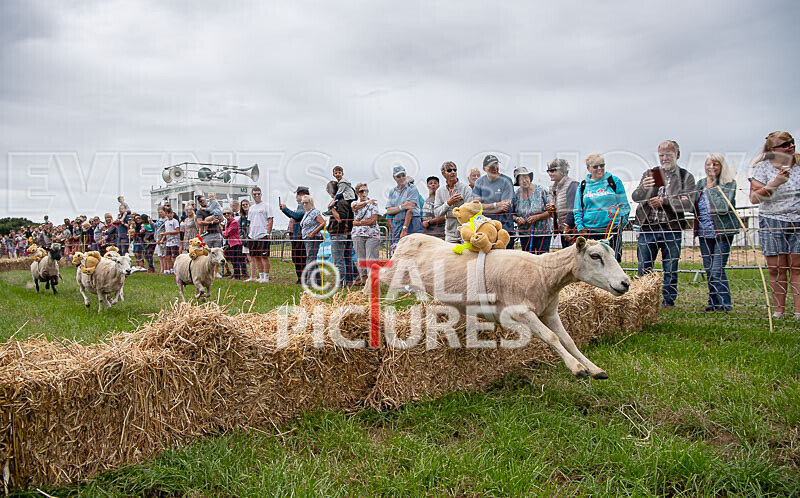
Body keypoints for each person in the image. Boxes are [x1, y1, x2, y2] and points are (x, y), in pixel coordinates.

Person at [631, 140, 696, 307]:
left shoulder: (685, 176)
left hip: (671, 228)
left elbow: (689, 203)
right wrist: (644, 188)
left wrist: (665, 201)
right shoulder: (650, 173)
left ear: (678, 155)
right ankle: (643, 300)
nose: (664, 158)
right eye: (661, 155)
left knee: (670, 267)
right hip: (648, 227)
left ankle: (668, 301)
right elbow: (636, 197)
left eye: (668, 154)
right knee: (644, 267)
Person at [750, 131, 800, 320]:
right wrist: (776, 183)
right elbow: (754, 198)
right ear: (773, 150)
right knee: (776, 268)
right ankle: (779, 311)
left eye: (792, 142)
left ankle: (798, 312)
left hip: (797, 220)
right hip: (772, 220)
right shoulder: (762, 168)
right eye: (785, 144)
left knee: (797, 267)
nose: (791, 146)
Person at [694, 154, 738, 312]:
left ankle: (725, 303)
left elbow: (723, 206)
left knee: (717, 270)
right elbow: (692, 204)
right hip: (704, 233)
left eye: (715, 164)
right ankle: (713, 303)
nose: (711, 167)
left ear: (722, 167)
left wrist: (712, 187)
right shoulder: (700, 184)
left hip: (722, 232)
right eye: (708, 164)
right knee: (709, 269)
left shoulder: (729, 183)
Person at [573, 153, 630, 261]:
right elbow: (577, 209)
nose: (599, 169)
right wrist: (580, 228)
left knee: (612, 261)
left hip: (611, 231)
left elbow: (625, 206)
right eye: (595, 167)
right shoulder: (583, 185)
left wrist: (620, 226)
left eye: (602, 165)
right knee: (592, 263)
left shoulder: (614, 181)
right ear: (588, 168)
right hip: (590, 231)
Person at [512, 166, 553, 254]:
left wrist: (537, 217)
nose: (524, 180)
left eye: (526, 177)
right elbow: (511, 214)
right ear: (517, 181)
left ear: (529, 178)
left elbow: (551, 211)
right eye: (521, 179)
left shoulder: (542, 191)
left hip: (543, 232)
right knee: (527, 259)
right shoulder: (515, 195)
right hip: (525, 233)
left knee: (543, 258)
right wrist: (517, 219)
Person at [472, 155, 515, 234]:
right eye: (492, 166)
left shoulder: (507, 181)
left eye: (496, 165)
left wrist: (485, 209)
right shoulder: (479, 182)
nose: (495, 169)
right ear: (484, 169)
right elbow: (476, 206)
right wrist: (496, 205)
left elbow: (504, 207)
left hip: (504, 228)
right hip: (485, 228)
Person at [433, 161, 474, 243]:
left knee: (467, 255)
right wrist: (448, 203)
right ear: (443, 174)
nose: (453, 172)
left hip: (466, 232)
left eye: (455, 170)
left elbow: (471, 211)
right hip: (450, 234)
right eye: (449, 170)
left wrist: (460, 209)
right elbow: (437, 213)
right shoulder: (439, 191)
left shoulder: (466, 188)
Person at [327, 180, 357, 286]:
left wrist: (331, 208)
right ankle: (352, 278)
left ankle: (341, 283)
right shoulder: (343, 201)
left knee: (339, 261)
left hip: (339, 233)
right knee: (346, 258)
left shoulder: (341, 202)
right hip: (343, 233)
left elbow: (340, 218)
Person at [386, 165, 422, 251]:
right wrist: (402, 206)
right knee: (397, 251)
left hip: (412, 222)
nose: (401, 178)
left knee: (414, 251)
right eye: (398, 176)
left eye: (403, 175)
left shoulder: (412, 188)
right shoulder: (392, 191)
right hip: (398, 223)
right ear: (394, 177)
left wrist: (404, 229)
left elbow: (410, 209)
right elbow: (389, 211)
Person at [351, 182, 380, 285]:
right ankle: (364, 281)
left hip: (372, 234)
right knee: (361, 259)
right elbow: (355, 207)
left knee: (371, 259)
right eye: (361, 191)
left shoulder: (374, 203)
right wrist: (367, 202)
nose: (364, 193)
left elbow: (373, 220)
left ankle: (372, 282)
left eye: (366, 190)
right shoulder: (354, 203)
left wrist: (358, 223)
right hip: (357, 234)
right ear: (357, 193)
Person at [280, 186, 310, 285]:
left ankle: (302, 278)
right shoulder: (303, 206)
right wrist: (285, 211)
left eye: (297, 195)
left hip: (299, 237)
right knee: (298, 258)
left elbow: (297, 216)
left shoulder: (303, 205)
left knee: (299, 258)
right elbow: (296, 217)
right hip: (298, 236)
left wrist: (285, 209)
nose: (296, 197)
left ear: (301, 195)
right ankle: (301, 278)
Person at [546, 158, 579, 248]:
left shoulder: (572, 184)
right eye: (548, 171)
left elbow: (572, 208)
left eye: (552, 170)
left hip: (572, 229)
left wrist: (567, 228)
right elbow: (557, 208)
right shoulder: (553, 187)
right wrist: (551, 209)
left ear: (562, 171)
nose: (550, 173)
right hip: (562, 229)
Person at [247, 186, 273, 283]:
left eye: (258, 194)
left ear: (261, 194)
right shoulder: (251, 208)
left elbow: (270, 220)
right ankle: (261, 276)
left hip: (263, 235)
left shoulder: (266, 206)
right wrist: (250, 233)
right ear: (252, 195)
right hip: (253, 236)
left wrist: (268, 233)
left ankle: (266, 277)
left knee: (264, 257)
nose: (256, 195)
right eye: (254, 194)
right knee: (256, 256)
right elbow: (250, 222)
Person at [299, 195, 326, 286]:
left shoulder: (314, 212)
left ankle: (310, 281)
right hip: (307, 238)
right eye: (303, 203)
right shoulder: (307, 213)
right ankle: (318, 280)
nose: (304, 205)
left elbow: (323, 223)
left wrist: (313, 233)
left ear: (311, 203)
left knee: (310, 259)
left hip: (313, 238)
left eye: (306, 203)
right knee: (311, 258)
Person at [222, 207, 245, 279]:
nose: (226, 214)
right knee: (232, 260)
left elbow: (227, 234)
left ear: (231, 214)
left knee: (235, 260)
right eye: (224, 213)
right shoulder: (227, 223)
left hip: (236, 243)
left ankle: (237, 276)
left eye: (228, 213)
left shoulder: (234, 222)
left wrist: (221, 231)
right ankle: (236, 274)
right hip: (231, 244)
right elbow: (226, 235)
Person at [159, 207, 180, 274]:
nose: (170, 215)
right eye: (168, 213)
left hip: (174, 241)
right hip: (168, 241)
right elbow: (166, 231)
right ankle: (170, 269)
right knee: (168, 256)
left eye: (171, 213)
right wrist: (162, 239)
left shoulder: (175, 221)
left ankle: (175, 269)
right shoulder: (166, 222)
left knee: (174, 256)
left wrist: (168, 233)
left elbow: (177, 231)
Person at [239, 199, 252, 280]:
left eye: (246, 204)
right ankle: (250, 275)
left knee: (256, 258)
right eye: (243, 205)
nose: (245, 206)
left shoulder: (253, 215)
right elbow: (240, 229)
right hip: (245, 240)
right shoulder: (241, 218)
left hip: (253, 239)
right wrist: (242, 238)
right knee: (249, 258)